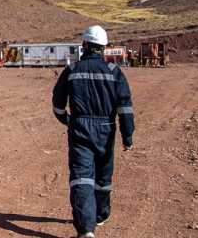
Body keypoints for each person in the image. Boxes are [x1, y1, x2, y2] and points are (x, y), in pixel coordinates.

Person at [52, 25, 136, 238]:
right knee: (103, 177)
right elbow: (124, 107)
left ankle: (86, 230)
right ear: (104, 48)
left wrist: (68, 121)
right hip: (106, 130)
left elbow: (57, 105)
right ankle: (101, 215)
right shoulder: (114, 72)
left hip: (80, 129)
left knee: (81, 177)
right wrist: (128, 136)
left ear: (85, 45)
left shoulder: (72, 71)